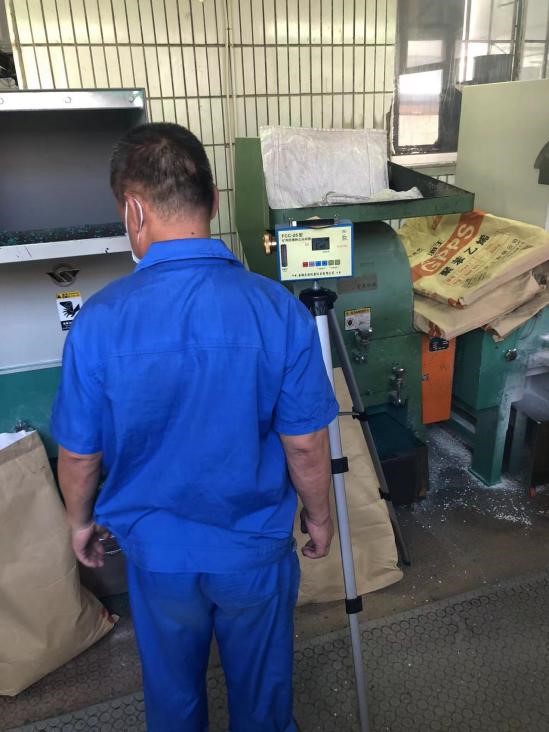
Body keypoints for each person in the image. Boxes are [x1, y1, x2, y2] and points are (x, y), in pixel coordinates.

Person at [51, 122, 339, 732]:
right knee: (263, 700)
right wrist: (319, 516)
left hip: (158, 556)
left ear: (133, 210)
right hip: (253, 550)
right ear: (212, 200)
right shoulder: (276, 309)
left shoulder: (98, 322)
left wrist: (79, 523)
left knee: (174, 698)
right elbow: (306, 444)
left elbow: (79, 454)